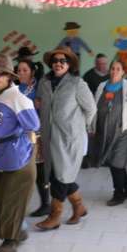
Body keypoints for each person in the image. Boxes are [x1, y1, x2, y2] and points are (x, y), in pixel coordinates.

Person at [0, 55, 40, 252]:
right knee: (2, 197)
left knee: (11, 199)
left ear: (9, 76)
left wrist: (25, 146)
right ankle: (18, 231)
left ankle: (10, 241)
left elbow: (33, 125)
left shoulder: (18, 99)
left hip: (16, 156)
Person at [35, 47, 96, 231]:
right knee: (58, 174)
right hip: (49, 137)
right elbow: (40, 104)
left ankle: (54, 216)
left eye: (63, 60)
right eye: (55, 60)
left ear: (69, 65)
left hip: (69, 139)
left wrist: (77, 127)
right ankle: (79, 207)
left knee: (61, 177)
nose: (58, 63)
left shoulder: (78, 83)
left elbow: (91, 109)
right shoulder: (44, 83)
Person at [91, 60, 127, 206]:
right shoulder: (102, 86)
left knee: (116, 162)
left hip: (123, 130)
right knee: (113, 161)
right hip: (105, 131)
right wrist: (92, 126)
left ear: (123, 71)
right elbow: (94, 107)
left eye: (118, 69)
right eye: (112, 68)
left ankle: (119, 193)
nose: (114, 71)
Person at [16, 59, 49, 217]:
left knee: (40, 171)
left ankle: (46, 203)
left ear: (32, 72)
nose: (21, 73)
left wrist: (41, 104)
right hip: (19, 134)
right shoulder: (14, 88)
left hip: (37, 134)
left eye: (24, 70)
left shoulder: (39, 86)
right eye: (19, 70)